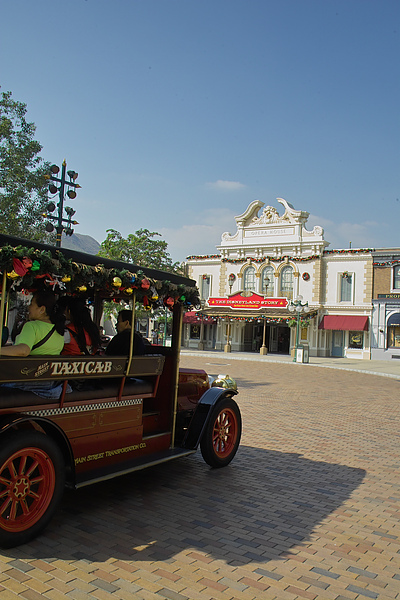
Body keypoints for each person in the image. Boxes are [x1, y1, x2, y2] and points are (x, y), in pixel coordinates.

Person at [0, 290, 67, 398]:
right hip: (49, 384)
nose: (29, 307)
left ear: (42, 309)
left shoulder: (32, 326)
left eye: (31, 304)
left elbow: (23, 350)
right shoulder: (58, 331)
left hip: (28, 382)